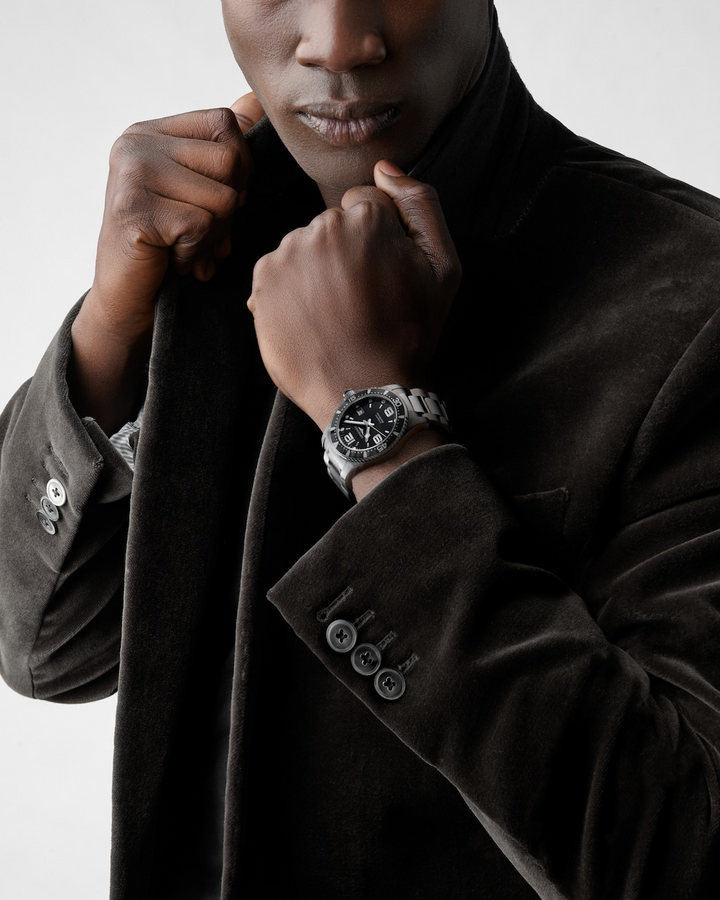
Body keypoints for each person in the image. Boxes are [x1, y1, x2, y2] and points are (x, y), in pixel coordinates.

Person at [2, 0, 720, 897]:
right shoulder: (204, 245)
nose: (336, 42)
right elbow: (42, 652)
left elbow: (678, 858)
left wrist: (380, 433)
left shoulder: (693, 307)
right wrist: (110, 330)